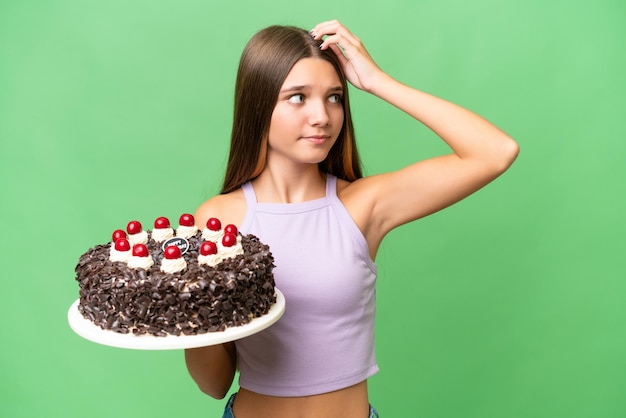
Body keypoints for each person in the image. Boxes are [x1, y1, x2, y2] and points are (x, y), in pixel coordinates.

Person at [184, 20, 519, 418]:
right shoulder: (219, 220)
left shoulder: (361, 205)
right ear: (259, 105)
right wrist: (189, 308)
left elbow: (496, 151)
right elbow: (214, 384)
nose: (322, 116)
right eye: (297, 98)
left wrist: (377, 82)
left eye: (334, 98)